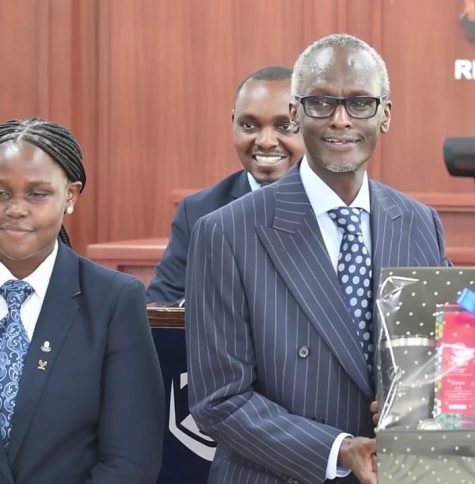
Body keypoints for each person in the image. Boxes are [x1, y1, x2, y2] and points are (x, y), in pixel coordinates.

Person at [185, 34, 450, 484]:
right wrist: (339, 450)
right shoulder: (225, 232)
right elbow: (219, 400)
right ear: (296, 112)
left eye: (361, 103)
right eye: (321, 102)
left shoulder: (419, 222)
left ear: (386, 115)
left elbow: (446, 352)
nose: (341, 120)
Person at [0, 118, 164, 482]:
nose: (15, 209)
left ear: (70, 196)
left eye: (37, 194)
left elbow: (131, 460)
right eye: (1, 193)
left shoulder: (113, 301)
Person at [146, 65, 305, 304]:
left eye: (285, 126)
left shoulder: (340, 207)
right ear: (233, 123)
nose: (266, 141)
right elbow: (159, 308)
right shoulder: (199, 212)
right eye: (249, 126)